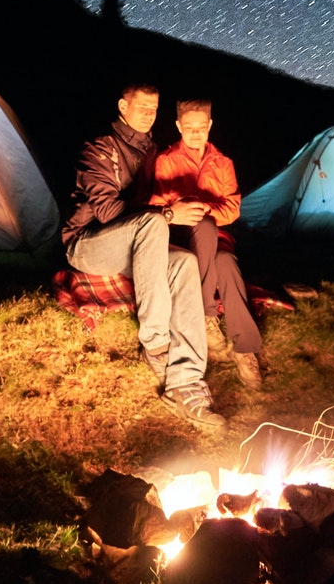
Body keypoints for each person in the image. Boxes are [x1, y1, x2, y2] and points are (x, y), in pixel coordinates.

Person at [62, 83, 225, 430]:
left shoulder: (152, 151)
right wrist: (167, 214)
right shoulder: (100, 149)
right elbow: (106, 210)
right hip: (88, 243)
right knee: (154, 223)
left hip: (134, 241)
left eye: (154, 109)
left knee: (184, 263)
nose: (149, 114)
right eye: (141, 107)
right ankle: (155, 343)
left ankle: (186, 382)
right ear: (123, 106)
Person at [149, 100, 264, 391]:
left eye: (202, 127)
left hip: (216, 238)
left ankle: (245, 349)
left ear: (210, 125)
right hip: (180, 236)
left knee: (225, 261)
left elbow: (233, 209)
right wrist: (189, 212)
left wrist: (201, 208)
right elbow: (159, 204)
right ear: (179, 127)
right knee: (205, 226)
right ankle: (208, 314)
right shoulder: (167, 160)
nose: (196, 133)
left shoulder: (223, 163)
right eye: (189, 128)